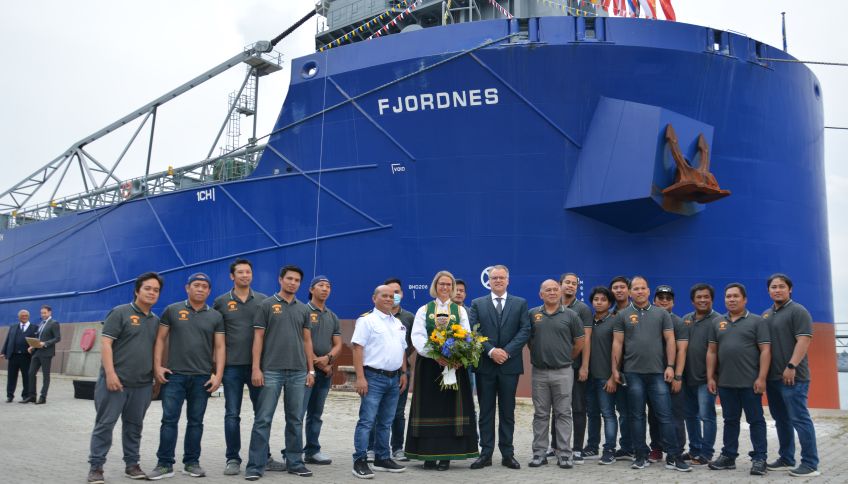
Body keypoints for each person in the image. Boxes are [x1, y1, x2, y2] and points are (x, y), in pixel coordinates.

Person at [86, 272, 164, 484]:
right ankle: (96, 467)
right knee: (105, 425)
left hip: (142, 384)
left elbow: (155, 351)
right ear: (137, 290)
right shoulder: (120, 312)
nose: (152, 293)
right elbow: (106, 344)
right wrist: (110, 374)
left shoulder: (155, 321)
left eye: (156, 290)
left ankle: (132, 465)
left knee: (134, 427)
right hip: (115, 383)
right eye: (147, 288)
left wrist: (156, 378)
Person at [148, 273, 226, 480]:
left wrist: (218, 375)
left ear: (209, 291)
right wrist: (157, 367)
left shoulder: (216, 316)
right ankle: (164, 464)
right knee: (169, 421)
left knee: (196, 422)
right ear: (187, 288)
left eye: (204, 286)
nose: (200, 289)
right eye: (196, 285)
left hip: (202, 378)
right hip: (174, 376)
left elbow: (220, 346)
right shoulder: (172, 310)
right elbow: (160, 340)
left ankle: (191, 463)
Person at [610, 276, 690, 472]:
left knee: (665, 415)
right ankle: (640, 455)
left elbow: (670, 341)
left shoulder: (661, 314)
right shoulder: (622, 315)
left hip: (658, 374)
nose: (639, 291)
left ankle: (673, 456)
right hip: (633, 373)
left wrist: (670, 366)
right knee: (637, 416)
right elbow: (617, 343)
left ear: (648, 291)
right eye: (636, 288)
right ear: (630, 292)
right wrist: (614, 369)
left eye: (643, 288)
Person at [244, 265, 316, 480]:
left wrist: (311, 370)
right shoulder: (266, 305)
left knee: (295, 419)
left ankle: (295, 462)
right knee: (263, 419)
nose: (293, 283)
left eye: (297, 280)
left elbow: (307, 341)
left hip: (298, 372)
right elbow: (258, 338)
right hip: (271, 371)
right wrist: (256, 368)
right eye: (289, 279)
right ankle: (255, 466)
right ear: (280, 280)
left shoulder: (304, 309)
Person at [405, 271, 479, 470]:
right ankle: (428, 455)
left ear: (452, 287)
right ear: (435, 286)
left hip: (454, 366)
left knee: (450, 409)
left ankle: (447, 456)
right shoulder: (424, 310)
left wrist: (457, 356)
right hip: (430, 366)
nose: (445, 287)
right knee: (429, 408)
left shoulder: (460, 311)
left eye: (448, 284)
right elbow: (418, 336)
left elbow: (467, 334)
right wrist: (435, 355)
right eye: (441, 284)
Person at [212, 258, 276, 475]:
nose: (245, 275)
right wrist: (216, 369)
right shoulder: (221, 302)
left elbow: (269, 334)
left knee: (262, 414)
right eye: (240, 272)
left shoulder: (263, 300)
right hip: (231, 368)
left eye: (248, 272)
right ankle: (232, 458)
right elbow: (215, 337)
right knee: (232, 414)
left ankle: (264, 456)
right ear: (232, 276)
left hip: (258, 367)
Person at [468, 264, 531, 470]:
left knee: (507, 412)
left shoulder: (520, 303)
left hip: (509, 366)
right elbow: (473, 331)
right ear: (489, 281)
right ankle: (485, 454)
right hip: (485, 366)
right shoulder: (477, 304)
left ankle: (507, 454)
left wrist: (506, 352)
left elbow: (525, 330)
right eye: (494, 278)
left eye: (501, 278)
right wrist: (491, 351)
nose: (498, 281)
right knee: (486, 412)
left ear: (507, 280)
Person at [706, 283, 770, 476]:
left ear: (745, 299)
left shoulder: (758, 322)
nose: (731, 300)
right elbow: (712, 351)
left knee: (756, 421)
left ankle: (759, 458)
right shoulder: (717, 322)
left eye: (735, 296)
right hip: (726, 383)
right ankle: (728, 456)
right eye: (728, 296)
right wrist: (710, 377)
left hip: (750, 383)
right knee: (730, 421)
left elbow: (765, 351)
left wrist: (762, 378)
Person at [762, 273, 820, 477]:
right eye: (774, 287)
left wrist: (791, 365)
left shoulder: (798, 311)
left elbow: (804, 340)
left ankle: (810, 464)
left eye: (781, 286)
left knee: (800, 419)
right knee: (781, 420)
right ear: (768, 290)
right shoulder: (767, 314)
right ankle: (787, 458)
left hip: (793, 377)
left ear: (790, 289)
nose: (777, 290)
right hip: (773, 377)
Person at [351, 285, 409, 479]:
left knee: (386, 422)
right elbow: (357, 349)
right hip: (373, 377)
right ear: (374, 298)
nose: (388, 299)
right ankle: (359, 460)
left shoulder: (398, 323)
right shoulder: (366, 320)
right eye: (384, 295)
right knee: (367, 421)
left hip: (394, 378)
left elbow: (401, 349)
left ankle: (382, 458)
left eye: (391, 296)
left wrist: (403, 372)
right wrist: (360, 377)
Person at [528, 280, 585, 469]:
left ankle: (565, 454)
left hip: (563, 371)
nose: (552, 292)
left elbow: (579, 342)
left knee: (563, 413)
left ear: (560, 293)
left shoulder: (571, 315)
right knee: (540, 414)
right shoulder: (532, 314)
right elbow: (529, 341)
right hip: (539, 372)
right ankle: (539, 453)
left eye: (555, 289)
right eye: (548, 290)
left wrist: (565, 357)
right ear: (541, 294)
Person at [368, 278, 415, 463]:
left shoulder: (409, 318)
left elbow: (411, 344)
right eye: (389, 293)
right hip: (376, 373)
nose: (393, 296)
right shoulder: (370, 318)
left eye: (397, 292)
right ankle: (371, 448)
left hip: (401, 372)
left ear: (402, 294)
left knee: (398, 413)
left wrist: (401, 361)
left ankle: (397, 448)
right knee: (373, 412)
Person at [302, 275, 343, 465]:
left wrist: (328, 359)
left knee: (316, 415)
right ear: (311, 289)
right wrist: (317, 363)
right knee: (297, 414)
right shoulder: (302, 311)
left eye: (328, 286)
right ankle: (292, 452)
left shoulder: (332, 316)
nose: (325, 289)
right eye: (321, 285)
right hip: (305, 371)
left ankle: (312, 451)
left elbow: (338, 344)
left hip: (325, 373)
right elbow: (302, 340)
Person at [681, 283, 721, 466]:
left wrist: (714, 376)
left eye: (706, 297)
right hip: (687, 378)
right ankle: (694, 449)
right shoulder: (686, 319)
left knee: (707, 416)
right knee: (690, 416)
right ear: (692, 301)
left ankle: (706, 453)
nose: (703, 300)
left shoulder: (718, 321)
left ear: (712, 299)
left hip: (707, 379)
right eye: (699, 297)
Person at [555, 273, 593, 463]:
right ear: (560, 284)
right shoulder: (553, 305)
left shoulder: (582, 309)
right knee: (557, 408)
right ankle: (555, 446)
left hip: (576, 366)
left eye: (574, 284)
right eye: (567, 282)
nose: (570, 286)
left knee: (578, 408)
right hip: (556, 366)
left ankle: (577, 448)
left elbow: (586, 340)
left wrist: (584, 366)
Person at [648, 285, 688, 463]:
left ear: (673, 302)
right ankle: (656, 448)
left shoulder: (678, 322)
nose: (664, 301)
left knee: (675, 415)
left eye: (668, 299)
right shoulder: (649, 320)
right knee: (654, 415)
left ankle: (677, 450)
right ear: (654, 301)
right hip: (653, 374)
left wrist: (678, 376)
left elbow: (682, 351)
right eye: (661, 298)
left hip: (672, 376)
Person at [584, 286, 619, 465]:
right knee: (592, 413)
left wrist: (613, 376)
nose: (599, 302)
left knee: (608, 413)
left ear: (610, 303)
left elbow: (619, 350)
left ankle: (609, 449)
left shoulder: (614, 321)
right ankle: (592, 446)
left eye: (603, 300)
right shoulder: (588, 321)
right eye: (596, 299)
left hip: (606, 377)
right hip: (589, 376)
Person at [607, 276, 633, 461]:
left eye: (622, 287)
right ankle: (625, 447)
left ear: (629, 290)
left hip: (633, 368)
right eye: (615, 287)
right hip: (614, 369)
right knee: (622, 411)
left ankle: (635, 446)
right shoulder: (608, 315)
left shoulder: (637, 312)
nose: (619, 290)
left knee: (634, 412)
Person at [26, 305, 61, 404]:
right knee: (31, 373)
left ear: (50, 312)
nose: (43, 315)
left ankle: (43, 397)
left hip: (46, 353)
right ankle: (32, 396)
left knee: (46, 375)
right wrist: (32, 346)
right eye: (41, 313)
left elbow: (57, 338)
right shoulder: (41, 323)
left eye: (45, 313)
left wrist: (45, 343)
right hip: (37, 352)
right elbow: (39, 338)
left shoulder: (54, 323)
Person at [2, 309, 38, 403]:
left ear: (28, 317)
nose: (24, 317)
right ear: (19, 317)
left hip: (26, 357)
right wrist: (3, 352)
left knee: (26, 377)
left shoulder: (35, 328)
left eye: (26, 316)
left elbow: (36, 342)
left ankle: (25, 395)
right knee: (11, 377)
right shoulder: (13, 327)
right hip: (13, 356)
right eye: (22, 316)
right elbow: (8, 340)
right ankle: (10, 395)